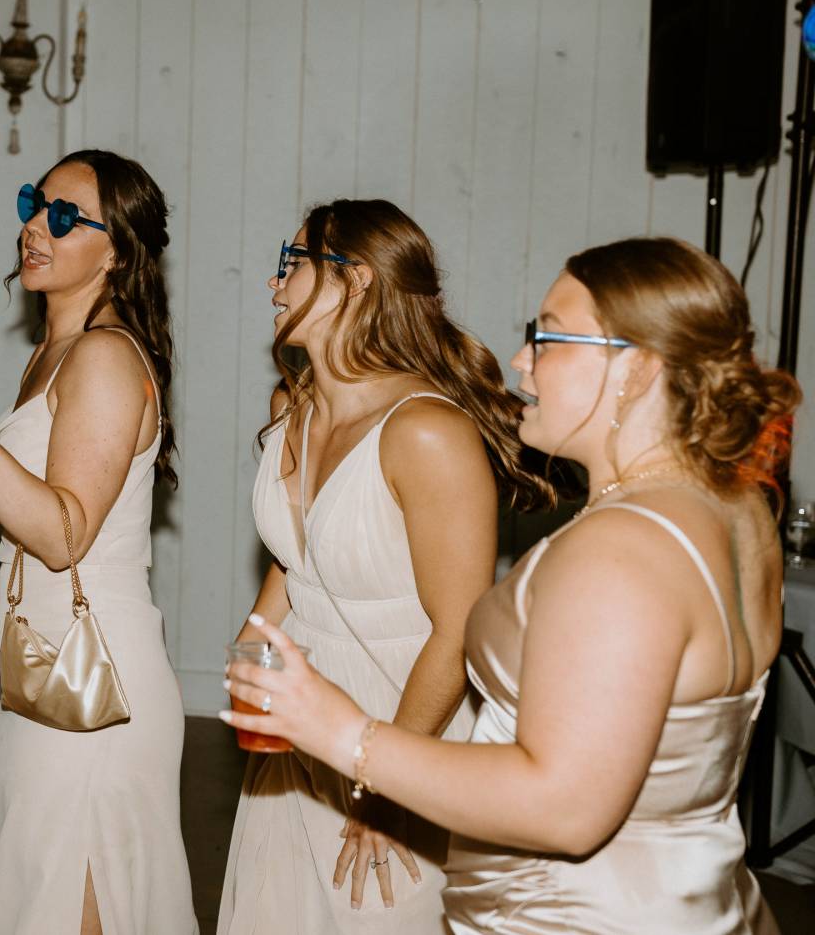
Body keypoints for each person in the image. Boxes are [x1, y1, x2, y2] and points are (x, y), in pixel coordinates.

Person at [224, 236, 799, 934]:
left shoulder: (622, 550)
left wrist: (345, 734)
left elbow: (566, 810)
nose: (523, 360)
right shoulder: (736, 508)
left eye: (548, 337)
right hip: (689, 898)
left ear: (638, 368)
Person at [218, 200, 552, 933]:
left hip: (404, 717)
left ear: (355, 279)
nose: (275, 283)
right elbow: (297, 560)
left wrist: (388, 783)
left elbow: (457, 631)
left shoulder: (427, 431)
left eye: (292, 263)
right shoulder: (292, 405)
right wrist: (252, 645)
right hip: (301, 716)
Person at [0, 149, 197, 934]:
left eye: (65, 215)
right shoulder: (51, 354)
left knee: (65, 901)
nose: (37, 225)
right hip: (43, 666)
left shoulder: (105, 356)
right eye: (34, 205)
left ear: (117, 252)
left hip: (97, 676)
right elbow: (18, 506)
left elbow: (64, 532)